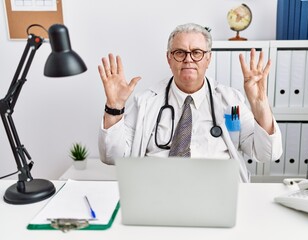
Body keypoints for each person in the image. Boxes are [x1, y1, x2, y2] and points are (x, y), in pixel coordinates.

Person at [97, 23, 282, 182]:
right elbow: (112, 156)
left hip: (216, 192)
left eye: (197, 52)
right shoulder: (146, 102)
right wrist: (114, 106)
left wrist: (260, 105)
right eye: (179, 52)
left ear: (208, 58)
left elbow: (267, 154)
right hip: (157, 191)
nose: (188, 59)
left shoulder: (231, 101)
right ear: (169, 58)